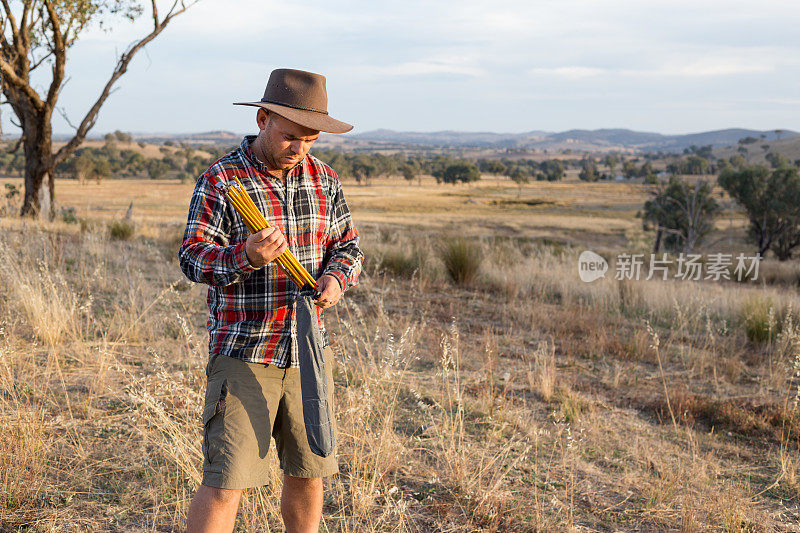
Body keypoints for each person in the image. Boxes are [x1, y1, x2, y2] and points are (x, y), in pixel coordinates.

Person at [178, 68, 363, 533]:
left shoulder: (325, 179)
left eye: (310, 139)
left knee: (309, 473)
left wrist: (337, 280)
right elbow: (193, 258)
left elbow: (348, 247)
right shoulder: (222, 180)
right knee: (225, 481)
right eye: (289, 137)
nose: (299, 149)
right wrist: (246, 256)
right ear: (262, 120)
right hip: (244, 350)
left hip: (307, 351)